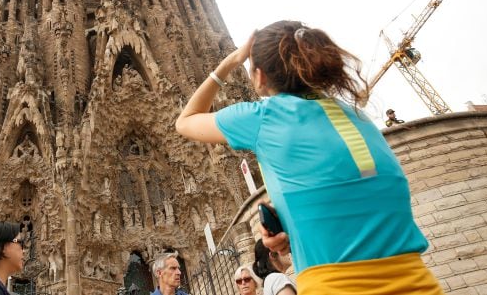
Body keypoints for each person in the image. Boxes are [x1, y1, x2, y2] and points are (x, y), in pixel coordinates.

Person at [175, 20, 444, 294]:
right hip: (419, 283)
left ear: (259, 76)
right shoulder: (358, 119)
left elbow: (185, 121)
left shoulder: (264, 118)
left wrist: (230, 62)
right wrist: (294, 218)